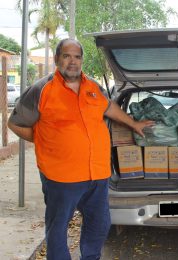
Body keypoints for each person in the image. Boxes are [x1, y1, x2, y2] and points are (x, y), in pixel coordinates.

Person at [7, 38, 154, 260]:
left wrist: (133, 123)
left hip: (98, 174)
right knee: (58, 229)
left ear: (82, 60)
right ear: (57, 59)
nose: (72, 61)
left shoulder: (94, 87)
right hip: (61, 177)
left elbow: (109, 106)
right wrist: (44, 140)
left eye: (77, 57)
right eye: (66, 56)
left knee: (99, 224)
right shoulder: (41, 89)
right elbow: (14, 123)